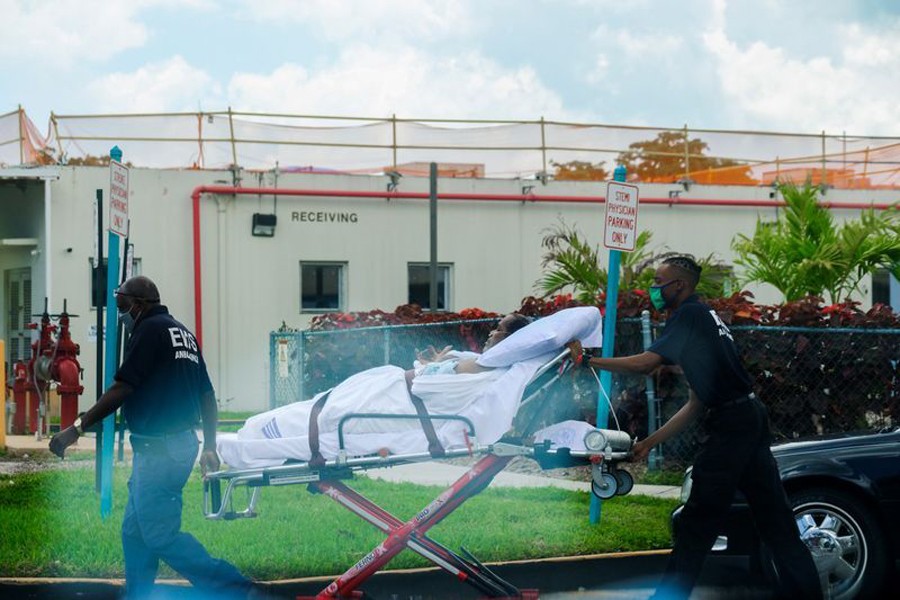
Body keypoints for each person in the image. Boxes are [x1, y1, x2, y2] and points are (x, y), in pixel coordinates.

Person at [573, 256, 822, 600]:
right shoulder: (706, 317)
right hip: (747, 417)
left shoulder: (688, 315)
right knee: (775, 521)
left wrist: (590, 361)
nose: (654, 289)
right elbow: (695, 402)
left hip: (732, 427)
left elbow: (647, 365)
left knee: (697, 523)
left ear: (680, 285)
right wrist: (649, 443)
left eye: (659, 282)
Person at [49, 276, 256, 600]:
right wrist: (210, 446)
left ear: (139, 304)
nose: (121, 316)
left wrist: (77, 428)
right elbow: (207, 396)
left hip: (161, 451)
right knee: (134, 532)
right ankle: (139, 594)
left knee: (160, 535)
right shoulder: (182, 333)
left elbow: (123, 387)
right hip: (173, 446)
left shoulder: (149, 330)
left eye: (122, 308)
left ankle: (239, 590)